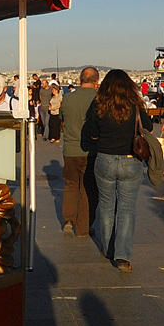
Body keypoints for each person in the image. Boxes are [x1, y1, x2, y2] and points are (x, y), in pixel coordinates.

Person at [80, 69, 153, 273]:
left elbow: (91, 133)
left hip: (104, 159)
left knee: (106, 205)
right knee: (127, 209)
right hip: (130, 161)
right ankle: (122, 255)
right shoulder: (135, 105)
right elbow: (147, 127)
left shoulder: (99, 105)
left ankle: (107, 246)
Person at [60, 66, 99, 237]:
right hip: (90, 151)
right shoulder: (99, 99)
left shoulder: (68, 98)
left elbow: (63, 119)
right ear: (97, 82)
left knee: (70, 185)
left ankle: (68, 220)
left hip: (70, 149)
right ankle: (83, 227)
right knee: (87, 189)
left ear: (79, 80)